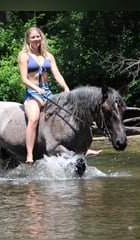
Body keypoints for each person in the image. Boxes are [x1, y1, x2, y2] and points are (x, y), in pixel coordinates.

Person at [18, 26, 101, 165]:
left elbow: (57, 74)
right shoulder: (24, 56)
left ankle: (84, 148)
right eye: (33, 37)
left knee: (73, 114)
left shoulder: (48, 56)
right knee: (33, 119)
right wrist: (36, 89)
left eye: (38, 36)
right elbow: (24, 79)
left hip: (48, 92)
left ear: (41, 37)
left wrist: (65, 87)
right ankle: (29, 154)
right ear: (28, 39)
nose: (36, 39)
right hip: (33, 93)